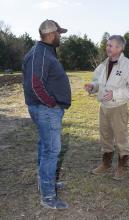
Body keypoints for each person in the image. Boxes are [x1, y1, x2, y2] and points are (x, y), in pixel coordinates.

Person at [22, 19, 71, 209]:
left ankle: (46, 184)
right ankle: (48, 197)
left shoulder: (44, 52)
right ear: (51, 34)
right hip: (46, 110)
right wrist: (51, 104)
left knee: (45, 147)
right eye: (59, 33)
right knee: (51, 151)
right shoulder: (40, 53)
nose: (60, 36)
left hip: (46, 110)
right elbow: (35, 85)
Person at [84, 35, 129, 180]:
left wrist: (114, 94)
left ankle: (121, 167)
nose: (108, 47)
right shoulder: (103, 64)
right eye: (107, 45)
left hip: (118, 107)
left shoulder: (128, 66)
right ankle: (106, 164)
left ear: (120, 48)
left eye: (112, 45)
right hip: (103, 107)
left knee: (121, 138)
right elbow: (98, 83)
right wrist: (92, 87)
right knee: (105, 137)